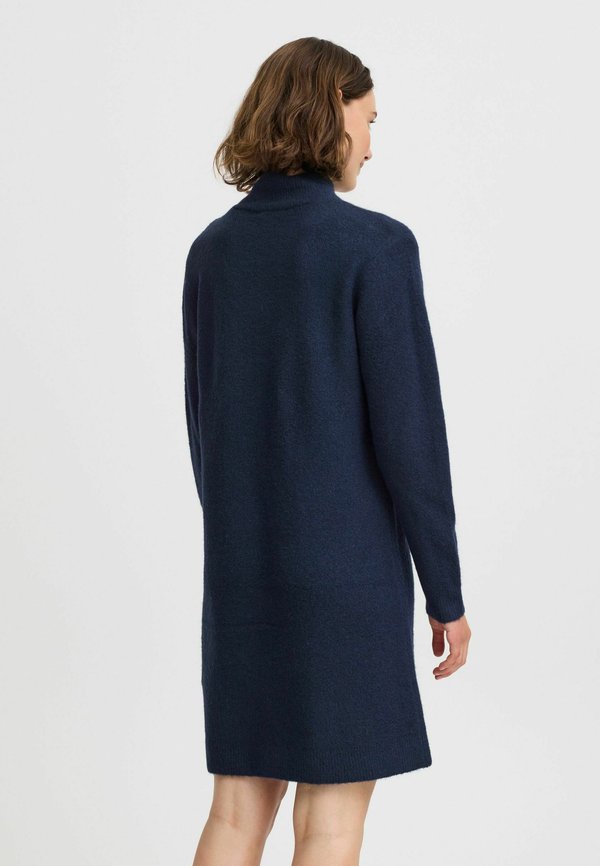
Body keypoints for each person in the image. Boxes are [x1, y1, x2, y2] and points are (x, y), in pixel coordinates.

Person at [182, 36, 471, 866]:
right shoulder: (375, 247)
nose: (371, 144)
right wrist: (445, 593)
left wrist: (243, 541)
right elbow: (412, 440)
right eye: (368, 120)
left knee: (235, 813)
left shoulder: (213, 251)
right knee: (331, 823)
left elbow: (205, 430)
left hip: (242, 576)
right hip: (345, 581)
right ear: (329, 115)